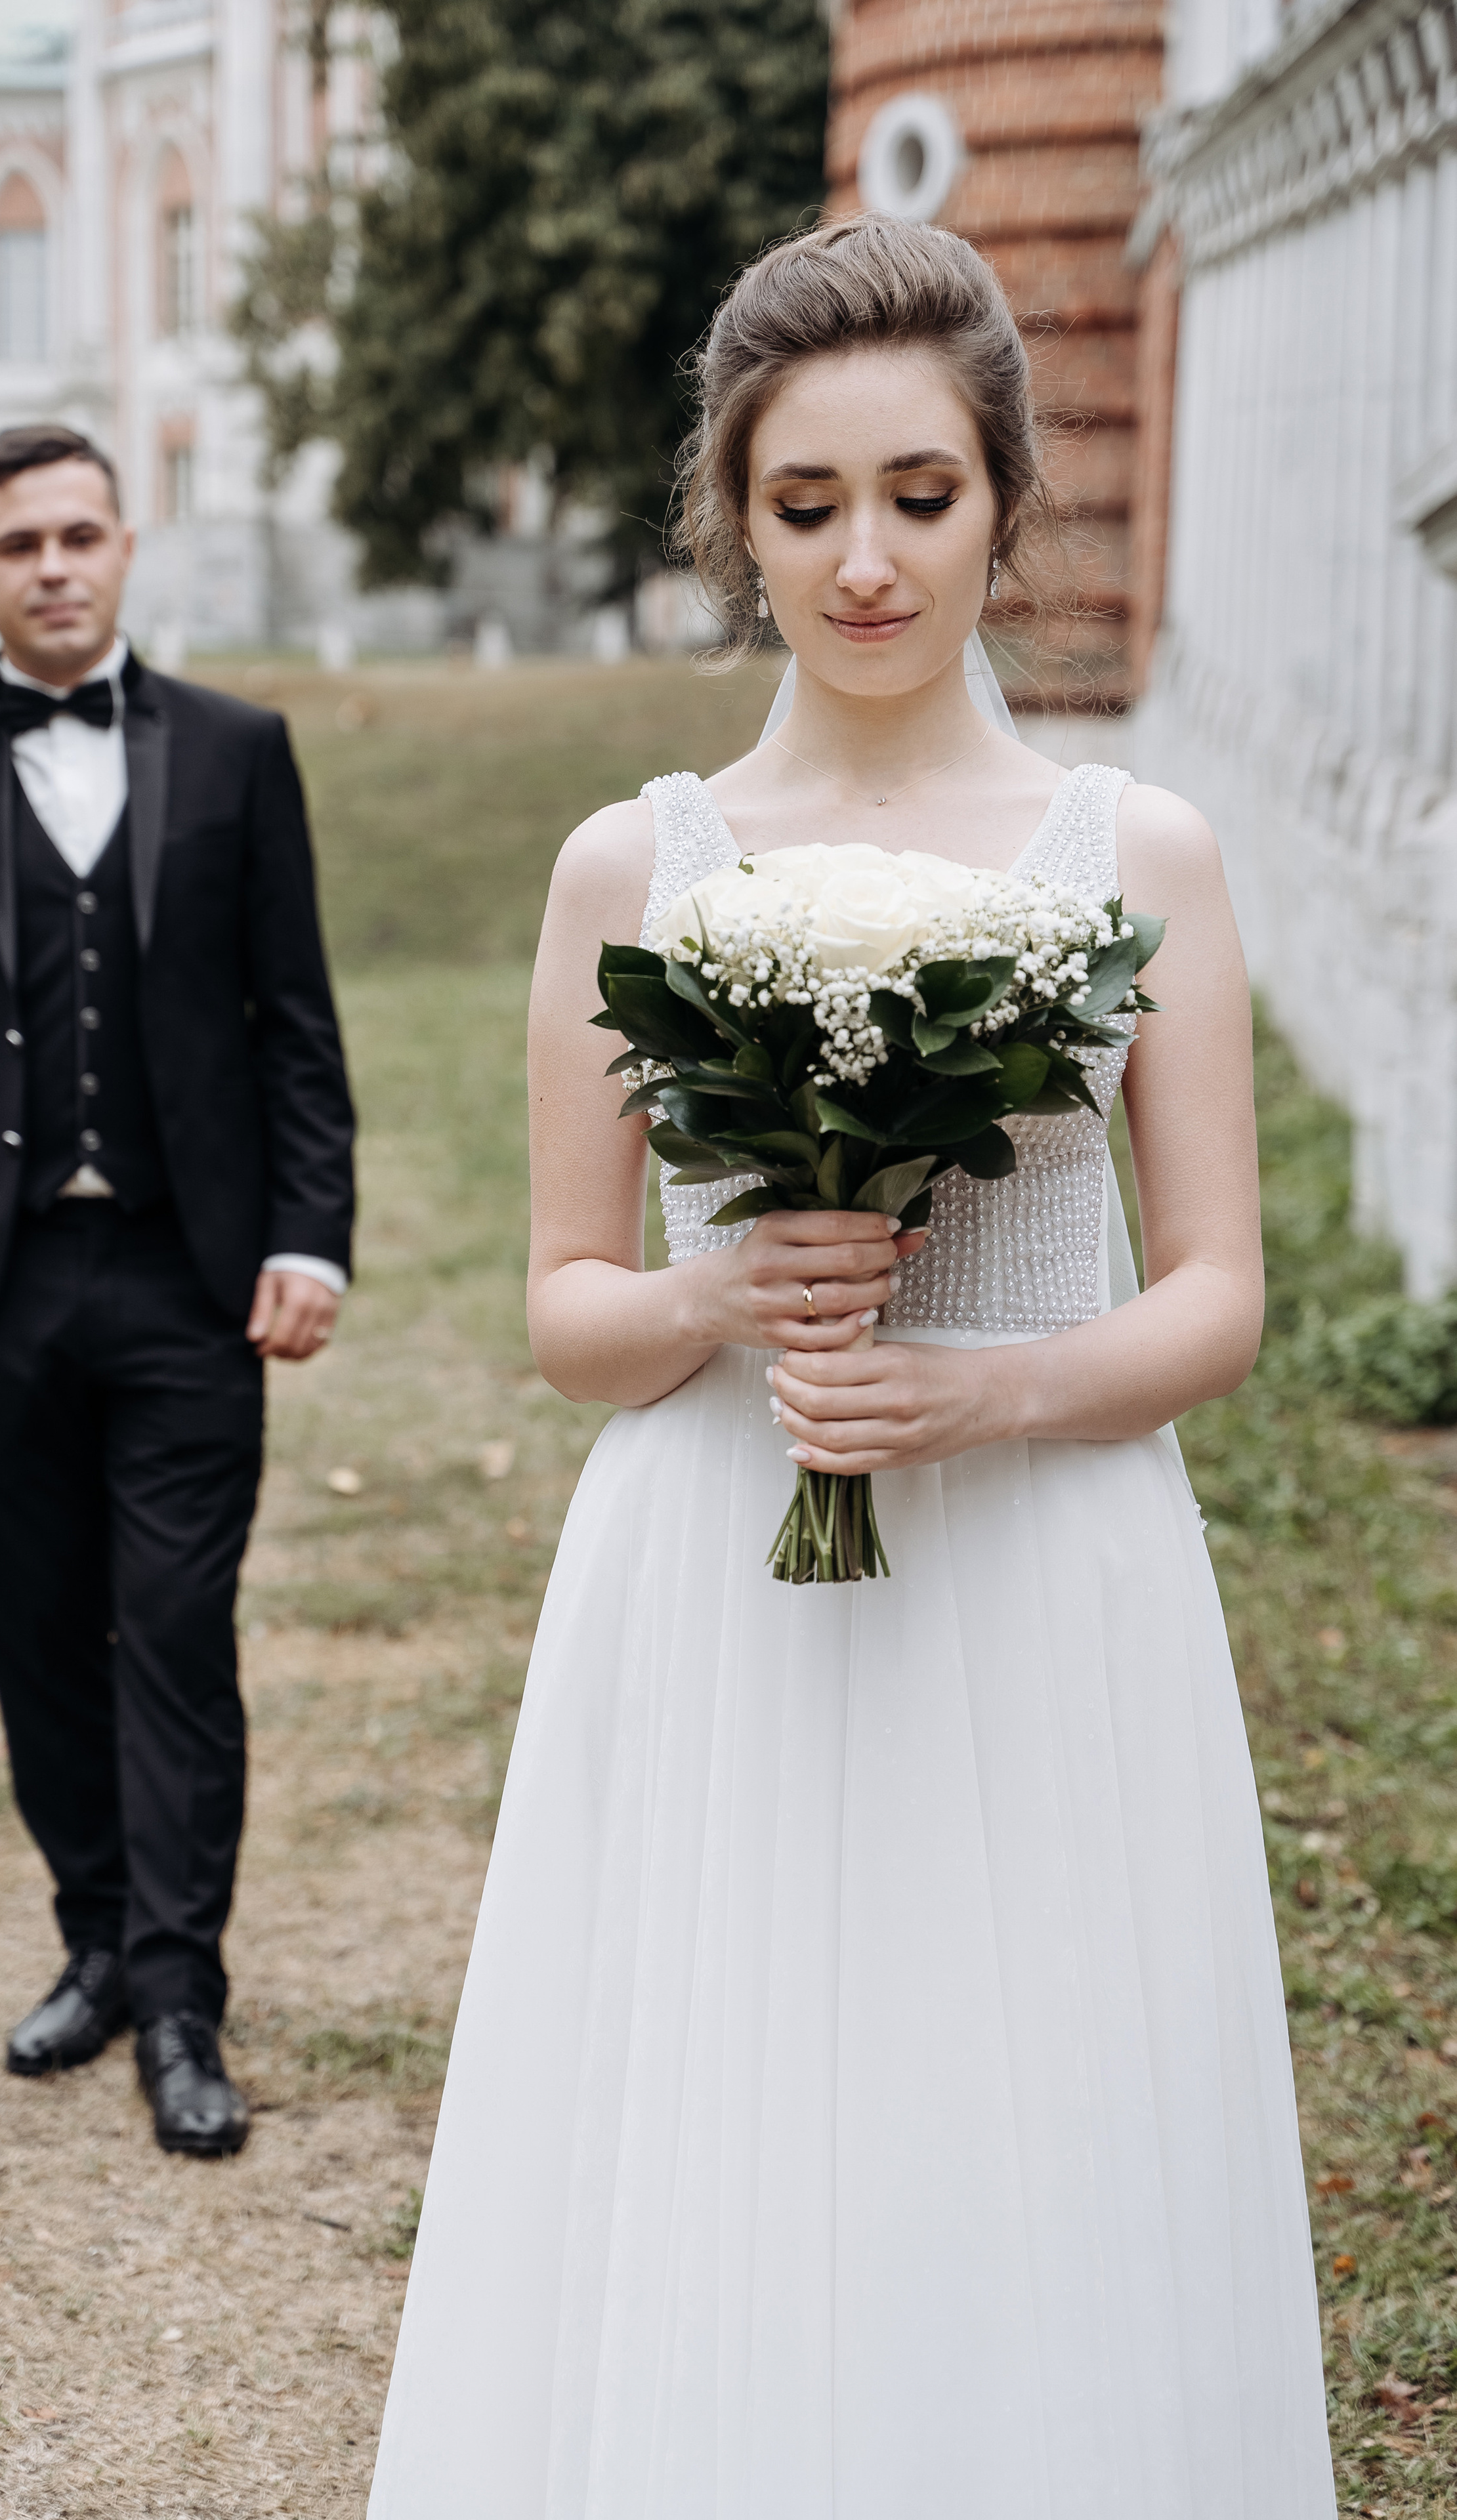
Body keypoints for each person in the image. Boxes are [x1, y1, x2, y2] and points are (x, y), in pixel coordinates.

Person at [367, 220, 1335, 2513]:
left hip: (1056, 1577)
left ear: (1006, 497)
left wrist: (985, 1391)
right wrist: (726, 1301)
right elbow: (568, 1313)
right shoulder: (639, 865)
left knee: (1039, 2112)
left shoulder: (1143, 852)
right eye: (805, 508)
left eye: (920, 494)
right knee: (735, 2107)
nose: (867, 560)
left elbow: (1217, 1296)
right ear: (736, 523)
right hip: (724, 1582)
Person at [0, 425, 355, 2158]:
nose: (54, 567)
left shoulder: (237, 753)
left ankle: (183, 1994)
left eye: (81, 535)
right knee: (39, 1638)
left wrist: (308, 1235)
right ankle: (94, 1944)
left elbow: (295, 1018)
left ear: (127, 547)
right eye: (20, 545)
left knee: (180, 1636)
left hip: (188, 1279)